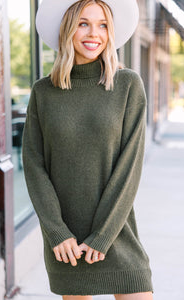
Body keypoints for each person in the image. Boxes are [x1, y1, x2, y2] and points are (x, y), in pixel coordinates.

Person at [22, 0, 153, 299]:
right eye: (83, 23)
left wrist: (103, 236)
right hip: (65, 241)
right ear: (67, 28)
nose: (94, 33)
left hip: (116, 231)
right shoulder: (43, 92)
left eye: (103, 24)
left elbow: (129, 169)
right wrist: (56, 232)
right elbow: (34, 165)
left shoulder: (127, 85)